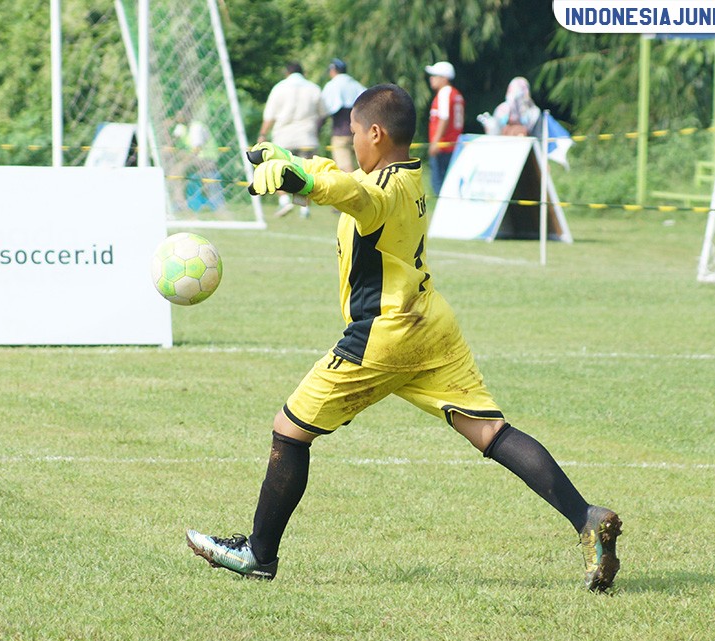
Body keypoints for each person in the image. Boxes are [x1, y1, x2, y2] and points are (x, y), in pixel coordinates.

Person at [185, 84, 622, 592]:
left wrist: (296, 179)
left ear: (375, 132)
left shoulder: (379, 193)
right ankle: (586, 516)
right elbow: (348, 180)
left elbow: (351, 194)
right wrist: (296, 162)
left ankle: (259, 554)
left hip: (383, 335)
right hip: (431, 324)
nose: (351, 144)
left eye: (354, 134)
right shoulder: (407, 176)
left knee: (289, 429)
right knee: (491, 432)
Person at [259, 62, 324, 218]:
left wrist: (262, 134)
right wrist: (317, 130)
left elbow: (270, 115)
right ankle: (304, 209)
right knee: (305, 174)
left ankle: (284, 200)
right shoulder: (313, 88)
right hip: (307, 137)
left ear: (287, 72)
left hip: (283, 137)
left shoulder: (279, 88)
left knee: (276, 170)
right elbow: (323, 113)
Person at [425, 61, 465, 196]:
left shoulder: (444, 93)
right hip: (454, 144)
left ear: (444, 78)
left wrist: (435, 142)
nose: (431, 78)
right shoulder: (456, 94)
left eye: (435, 75)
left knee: (439, 184)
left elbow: (444, 117)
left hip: (443, 146)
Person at [320, 58, 366, 172]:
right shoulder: (356, 85)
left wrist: (317, 128)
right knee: (363, 166)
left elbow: (324, 110)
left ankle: (353, 189)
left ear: (333, 70)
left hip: (340, 133)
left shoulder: (332, 85)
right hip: (360, 131)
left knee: (344, 167)